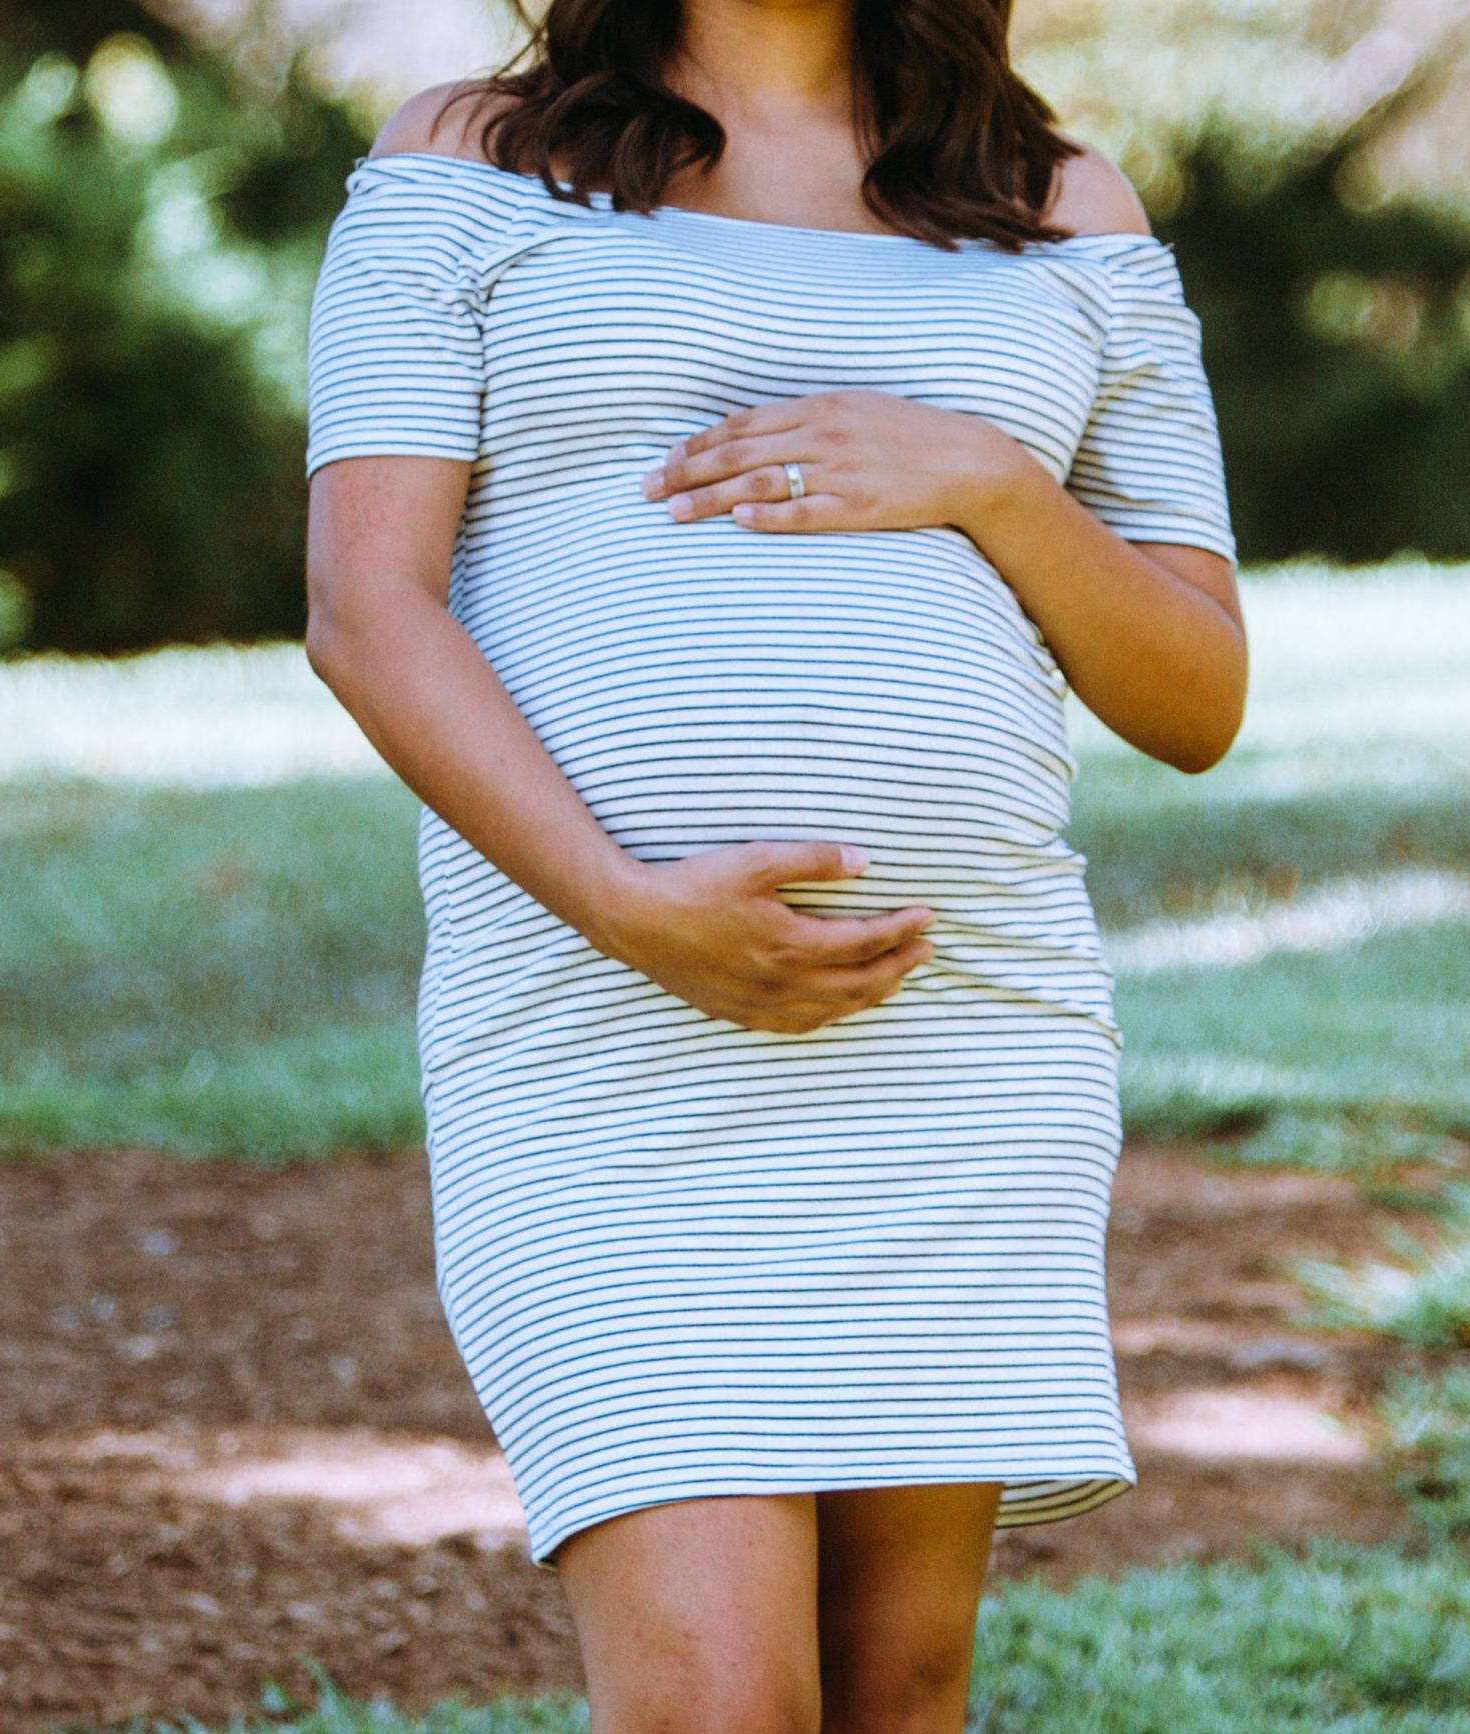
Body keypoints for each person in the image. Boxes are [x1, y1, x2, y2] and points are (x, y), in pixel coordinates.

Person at [301, 1, 1246, 1727]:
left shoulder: (1061, 206)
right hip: (604, 1035)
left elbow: (1198, 692)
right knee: (720, 1701)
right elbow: (368, 610)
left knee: (899, 1687)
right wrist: (625, 905)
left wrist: (986, 482)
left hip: (961, 1040)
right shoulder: (468, 159)